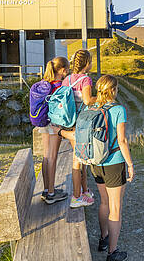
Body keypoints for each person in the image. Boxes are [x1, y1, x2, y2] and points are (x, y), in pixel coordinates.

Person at [90, 75, 134, 261]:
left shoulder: (91, 107)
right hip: (114, 163)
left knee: (104, 203)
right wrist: (130, 164)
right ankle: (112, 253)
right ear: (113, 90)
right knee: (115, 208)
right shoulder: (118, 110)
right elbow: (122, 141)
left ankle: (103, 239)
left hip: (96, 163)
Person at [56, 49, 96, 208]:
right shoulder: (85, 80)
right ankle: (76, 197)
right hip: (80, 124)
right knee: (77, 160)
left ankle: (85, 191)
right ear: (86, 63)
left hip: (69, 121)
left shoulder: (67, 79)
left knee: (82, 158)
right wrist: (99, 98)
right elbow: (87, 101)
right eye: (90, 61)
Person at [39, 56, 69, 204]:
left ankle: (46, 189)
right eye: (67, 71)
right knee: (52, 156)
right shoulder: (58, 86)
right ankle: (51, 194)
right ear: (62, 70)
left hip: (43, 122)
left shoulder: (45, 84)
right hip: (54, 124)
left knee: (46, 155)